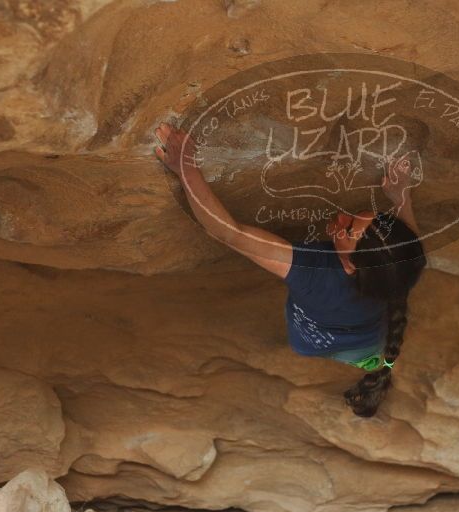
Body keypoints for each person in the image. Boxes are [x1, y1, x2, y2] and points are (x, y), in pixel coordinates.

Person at [154, 122, 426, 417]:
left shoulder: (314, 272)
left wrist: (186, 168)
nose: (341, 216)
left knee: (347, 351)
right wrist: (401, 198)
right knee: (368, 356)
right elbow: (406, 239)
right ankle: (376, 368)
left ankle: (375, 366)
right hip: (364, 342)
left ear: (350, 264)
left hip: (320, 341)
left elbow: (229, 233)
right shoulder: (398, 269)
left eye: (347, 230)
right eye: (357, 216)